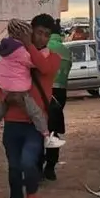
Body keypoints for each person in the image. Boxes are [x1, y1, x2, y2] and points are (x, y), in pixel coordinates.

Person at [0, 14, 62, 198]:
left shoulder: (53, 58)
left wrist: (28, 45)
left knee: (28, 162)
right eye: (39, 33)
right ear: (31, 31)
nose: (42, 38)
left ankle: (32, 193)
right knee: (14, 167)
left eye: (47, 35)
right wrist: (5, 98)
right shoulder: (13, 57)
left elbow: (43, 68)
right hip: (12, 121)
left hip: (35, 124)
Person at [0, 26, 66, 150]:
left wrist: (2, 95)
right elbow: (40, 65)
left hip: (7, 92)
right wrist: (40, 51)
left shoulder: (4, 57)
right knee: (36, 113)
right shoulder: (22, 54)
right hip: (21, 91)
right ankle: (46, 136)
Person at [38, 20, 72, 181]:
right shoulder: (66, 51)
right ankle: (50, 168)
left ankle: (37, 165)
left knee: (38, 129)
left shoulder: (43, 48)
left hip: (43, 92)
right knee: (53, 130)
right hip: (60, 94)